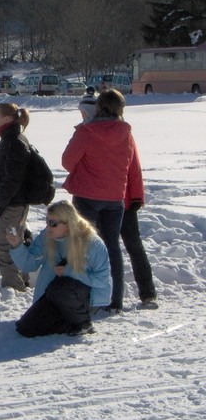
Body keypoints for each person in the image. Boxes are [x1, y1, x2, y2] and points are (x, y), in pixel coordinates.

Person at [77, 89, 158, 310]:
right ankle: (126, 295)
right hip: (119, 197)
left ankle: (146, 292)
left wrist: (137, 195)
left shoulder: (116, 133)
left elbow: (134, 166)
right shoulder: (119, 132)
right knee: (119, 246)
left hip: (122, 198)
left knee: (127, 245)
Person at [62, 89, 142, 312]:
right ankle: (114, 300)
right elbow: (130, 164)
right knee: (112, 248)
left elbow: (67, 162)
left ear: (98, 107)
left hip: (87, 195)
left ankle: (84, 298)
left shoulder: (87, 132)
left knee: (82, 246)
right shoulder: (125, 133)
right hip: (115, 197)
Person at [8, 200, 111, 337]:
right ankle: (66, 322)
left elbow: (102, 280)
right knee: (25, 328)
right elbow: (29, 264)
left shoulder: (92, 243)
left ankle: (83, 323)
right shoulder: (47, 236)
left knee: (60, 287)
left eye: (53, 223)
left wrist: (69, 271)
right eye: (47, 221)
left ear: (68, 224)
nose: (48, 226)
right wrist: (17, 246)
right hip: (52, 295)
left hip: (83, 298)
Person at [0, 102, 33, 291]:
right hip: (14, 204)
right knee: (15, 242)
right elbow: (9, 175)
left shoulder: (13, 142)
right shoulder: (12, 139)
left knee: (5, 245)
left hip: (12, 206)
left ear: (7, 119)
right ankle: (22, 279)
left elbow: (13, 182)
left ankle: (14, 286)